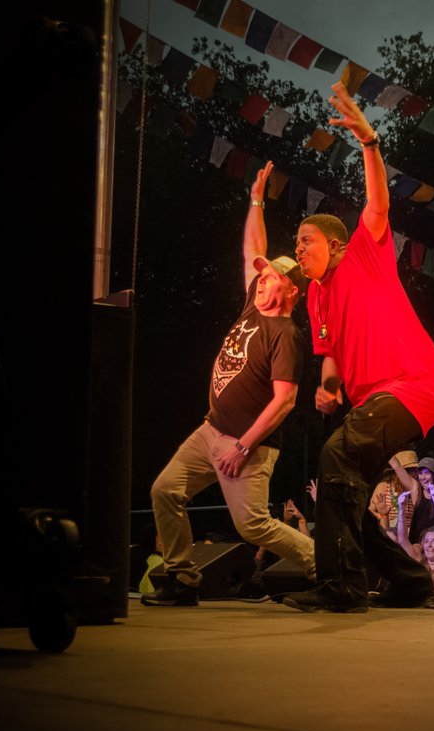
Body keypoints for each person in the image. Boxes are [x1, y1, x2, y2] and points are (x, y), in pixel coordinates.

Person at [282, 81, 434, 613]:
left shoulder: (362, 254)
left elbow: (377, 201)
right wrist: (329, 387)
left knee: (337, 455)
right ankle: (408, 580)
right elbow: (329, 352)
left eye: (305, 241)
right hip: (372, 398)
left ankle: (343, 587)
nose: (297, 248)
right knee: (342, 489)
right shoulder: (315, 294)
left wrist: (369, 141)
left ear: (333, 243)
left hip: (413, 384)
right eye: (295, 243)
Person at [142, 161, 316, 606]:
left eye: (272, 277)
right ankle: (182, 579)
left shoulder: (286, 336)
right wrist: (256, 200)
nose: (261, 281)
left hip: (248, 446)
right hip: (209, 431)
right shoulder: (251, 308)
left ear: (291, 291)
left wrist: (243, 446)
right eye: (261, 277)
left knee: (252, 525)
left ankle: (326, 566)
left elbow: (284, 402)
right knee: (165, 490)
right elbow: (250, 249)